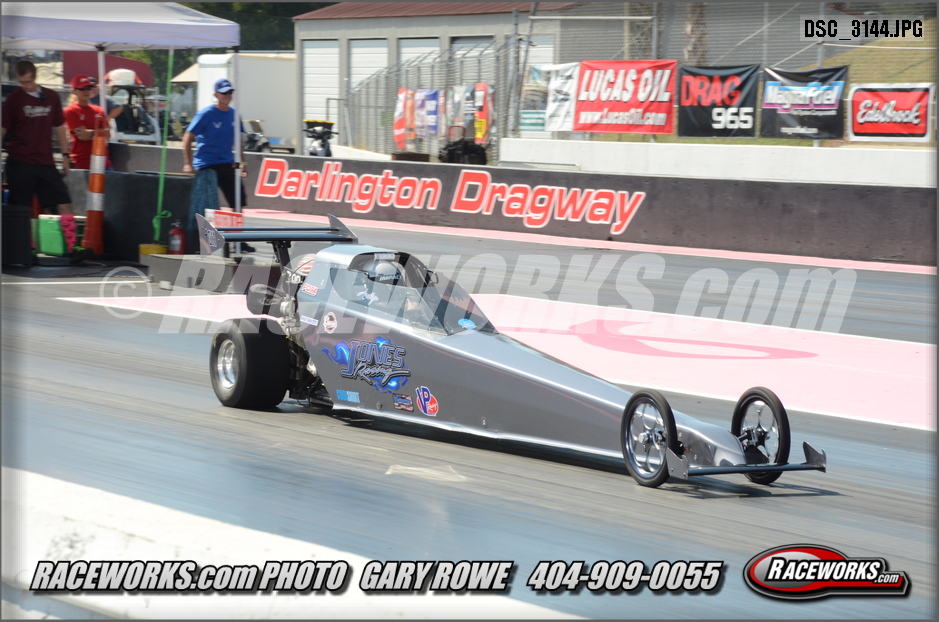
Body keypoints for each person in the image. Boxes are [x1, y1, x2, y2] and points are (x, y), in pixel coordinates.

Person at [1, 60, 91, 262]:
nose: (25, 86)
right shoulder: (14, 100)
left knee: (64, 202)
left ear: (35, 77)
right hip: (20, 161)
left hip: (45, 161)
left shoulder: (51, 96)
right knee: (23, 208)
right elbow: (3, 128)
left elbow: (60, 127)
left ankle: (72, 247)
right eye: (21, 82)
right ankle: (28, 249)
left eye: (28, 81)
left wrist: (66, 156)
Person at [182, 78, 250, 252]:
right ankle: (204, 241)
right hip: (207, 164)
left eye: (230, 92)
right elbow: (187, 137)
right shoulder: (205, 114)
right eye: (224, 93)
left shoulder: (234, 114)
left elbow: (239, 142)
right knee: (208, 203)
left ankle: (238, 240)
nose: (227, 95)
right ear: (216, 95)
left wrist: (243, 163)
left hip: (227, 162)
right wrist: (188, 163)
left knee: (237, 200)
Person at [63, 75, 112, 171]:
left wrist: (90, 133)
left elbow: (108, 134)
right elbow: (82, 136)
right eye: (82, 89)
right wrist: (99, 132)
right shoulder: (70, 111)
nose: (86, 91)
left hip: (104, 163)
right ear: (74, 91)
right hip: (82, 164)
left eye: (88, 88)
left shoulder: (99, 110)